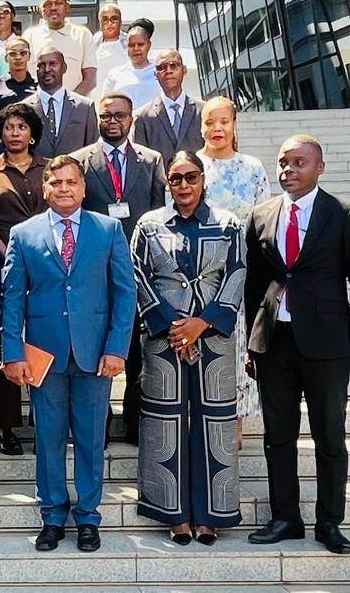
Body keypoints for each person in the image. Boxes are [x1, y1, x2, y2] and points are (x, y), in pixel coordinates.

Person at [245, 135, 350, 556]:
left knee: (330, 437)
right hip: (275, 344)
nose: (289, 170)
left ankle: (329, 522)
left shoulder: (344, 214)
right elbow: (253, 284)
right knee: (277, 437)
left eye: (299, 162)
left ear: (319, 167)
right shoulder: (262, 214)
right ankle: (285, 517)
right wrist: (253, 341)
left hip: (328, 345)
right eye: (283, 163)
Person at [0, 156, 135, 553]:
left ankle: (89, 518)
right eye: (55, 182)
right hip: (45, 355)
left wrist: (116, 348)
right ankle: (53, 516)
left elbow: (125, 293)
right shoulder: (24, 234)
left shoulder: (108, 230)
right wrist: (12, 352)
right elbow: (11, 298)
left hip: (96, 355)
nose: (63, 189)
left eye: (71, 182)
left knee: (92, 440)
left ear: (82, 186)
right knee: (49, 438)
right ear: (45, 188)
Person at [132, 152, 246, 546]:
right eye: (176, 178)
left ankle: (211, 515)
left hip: (213, 339)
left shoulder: (229, 225)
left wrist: (202, 323)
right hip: (164, 339)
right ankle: (174, 515)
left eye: (191, 177)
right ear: (167, 183)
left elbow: (237, 273)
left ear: (203, 180)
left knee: (211, 425)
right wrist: (171, 325)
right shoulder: (149, 226)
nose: (183, 185)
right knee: (166, 423)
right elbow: (136, 273)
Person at [70, 93, 167, 445]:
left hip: (139, 266)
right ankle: (100, 421)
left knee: (139, 347)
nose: (113, 121)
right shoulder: (80, 161)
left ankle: (135, 419)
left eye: (120, 115)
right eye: (106, 115)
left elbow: (159, 211)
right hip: (94, 268)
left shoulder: (152, 160)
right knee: (96, 344)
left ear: (132, 120)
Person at [0, 102, 48, 456]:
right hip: (1, 264)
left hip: (48, 267)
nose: (14, 133)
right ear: (0, 132)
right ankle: (5, 426)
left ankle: (46, 420)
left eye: (21, 127)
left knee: (44, 340)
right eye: (8, 127)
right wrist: (10, 252)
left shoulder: (49, 168)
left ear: (32, 133)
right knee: (6, 342)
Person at [197, 96, 271, 426]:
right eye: (210, 121)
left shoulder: (252, 168)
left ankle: (236, 419)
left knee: (240, 342)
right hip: (201, 272)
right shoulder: (191, 167)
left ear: (234, 125)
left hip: (244, 271)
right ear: (200, 126)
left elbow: (265, 219)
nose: (217, 128)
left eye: (223, 121)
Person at [131, 51, 205, 165]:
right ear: (155, 74)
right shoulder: (142, 117)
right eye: (162, 67)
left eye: (174, 65)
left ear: (184, 70)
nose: (169, 71)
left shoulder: (204, 111)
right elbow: (140, 162)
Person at [24, 46, 98, 160]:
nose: (47, 69)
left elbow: (94, 151)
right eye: (41, 65)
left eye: (52, 64)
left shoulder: (85, 107)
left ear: (64, 68)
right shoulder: (23, 108)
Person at [22, 0, 96, 95]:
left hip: (73, 108)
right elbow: (23, 76)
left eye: (58, 3)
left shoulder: (82, 35)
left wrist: (68, 103)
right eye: (48, 4)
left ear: (67, 7)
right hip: (38, 107)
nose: (53, 8)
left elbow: (90, 78)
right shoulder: (30, 36)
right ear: (40, 9)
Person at [101, 23, 161, 111]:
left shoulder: (160, 72)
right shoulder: (115, 74)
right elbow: (104, 105)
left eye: (140, 44)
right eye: (131, 45)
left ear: (148, 45)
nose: (136, 49)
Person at [0, 36, 38, 115]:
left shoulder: (39, 85)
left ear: (29, 56)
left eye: (23, 53)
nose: (18, 57)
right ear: (6, 58)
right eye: (12, 54)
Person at [92, 3, 128, 93]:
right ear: (100, 23)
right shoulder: (91, 44)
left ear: (121, 22)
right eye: (105, 19)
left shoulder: (131, 44)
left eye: (114, 19)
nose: (110, 23)